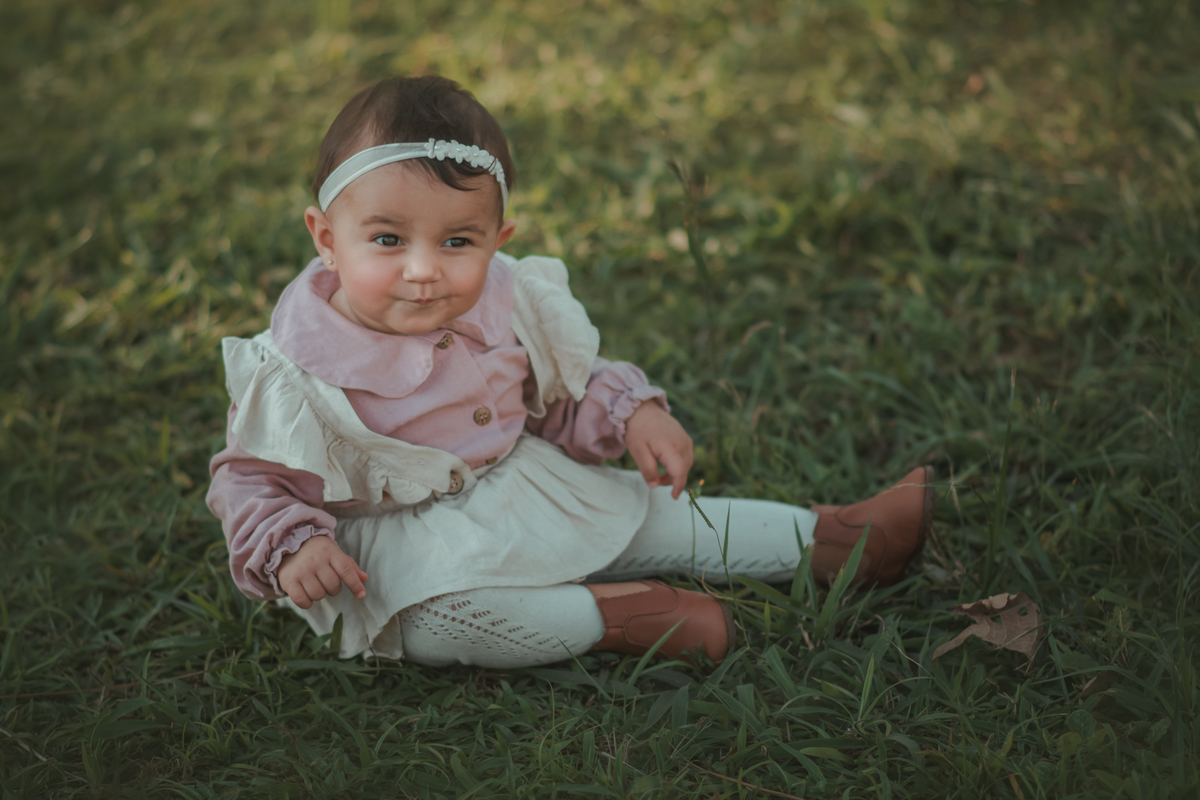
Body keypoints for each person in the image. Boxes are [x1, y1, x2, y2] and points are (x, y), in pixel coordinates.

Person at [207, 75, 935, 669]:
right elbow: (251, 479)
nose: (424, 271)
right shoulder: (296, 369)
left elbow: (556, 396)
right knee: (438, 626)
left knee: (652, 516)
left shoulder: (506, 301)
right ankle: (614, 617)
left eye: (458, 240)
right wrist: (296, 545)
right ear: (327, 239)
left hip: (522, 484)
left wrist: (630, 414)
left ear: (499, 239)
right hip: (399, 546)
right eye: (389, 239)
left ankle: (836, 539)